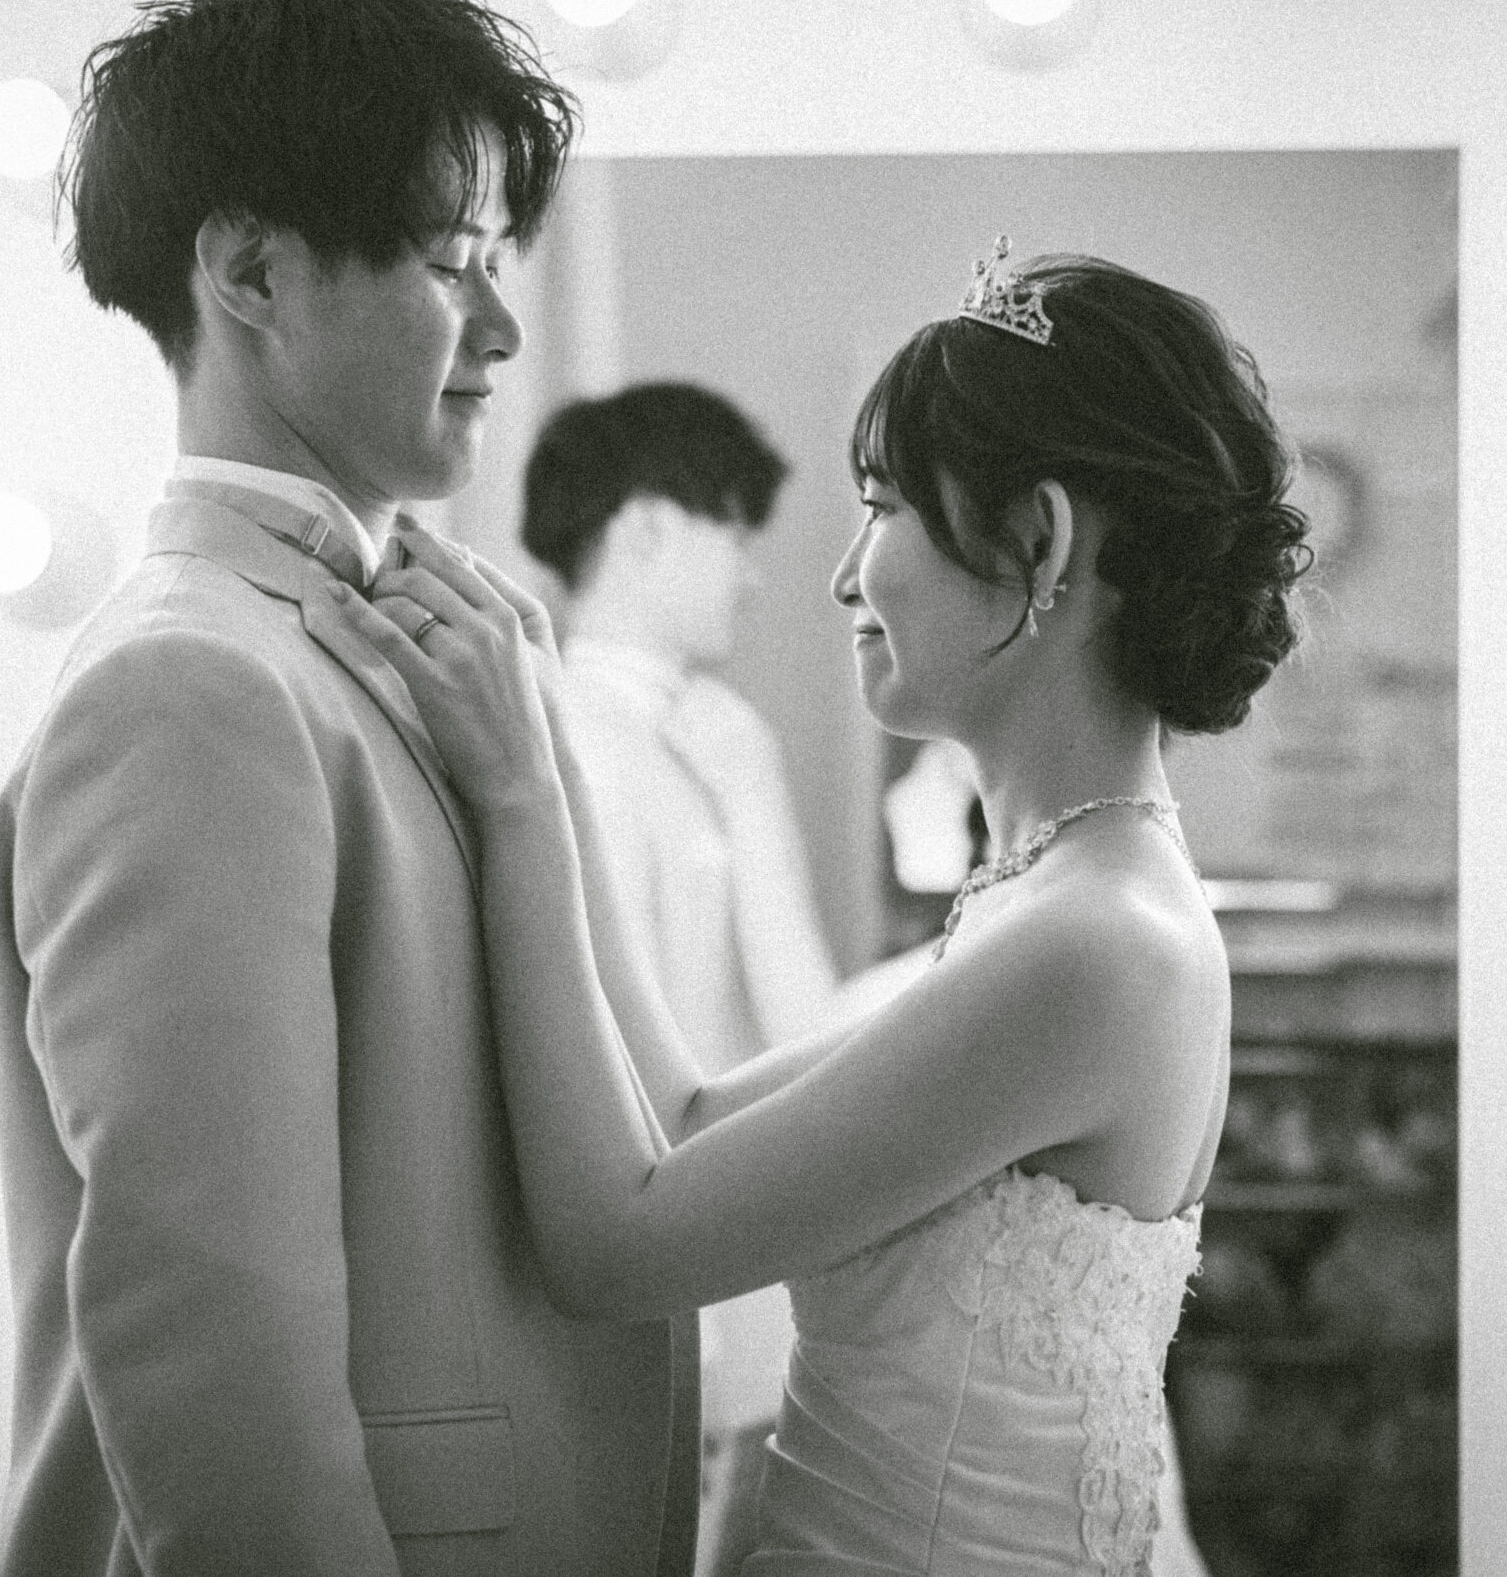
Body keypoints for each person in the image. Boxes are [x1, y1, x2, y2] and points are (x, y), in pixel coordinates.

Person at [334, 243, 1309, 1574]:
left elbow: (615, 1247)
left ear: (1039, 541)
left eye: (882, 507)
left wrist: (514, 801)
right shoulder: (1051, 897)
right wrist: (547, 757)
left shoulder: (1096, 943)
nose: (845, 576)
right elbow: (683, 1120)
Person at [0, 0, 700, 1577]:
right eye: (454, 263)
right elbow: (215, 1364)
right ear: (250, 269)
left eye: (502, 262)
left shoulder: (452, 636)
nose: (502, 326)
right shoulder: (187, 686)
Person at [520, 383, 844, 1574]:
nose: (751, 576)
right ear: (649, 525)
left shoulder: (694, 734)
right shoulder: (581, 741)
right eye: (734, 533)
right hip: (664, 1256)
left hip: (712, 1238)